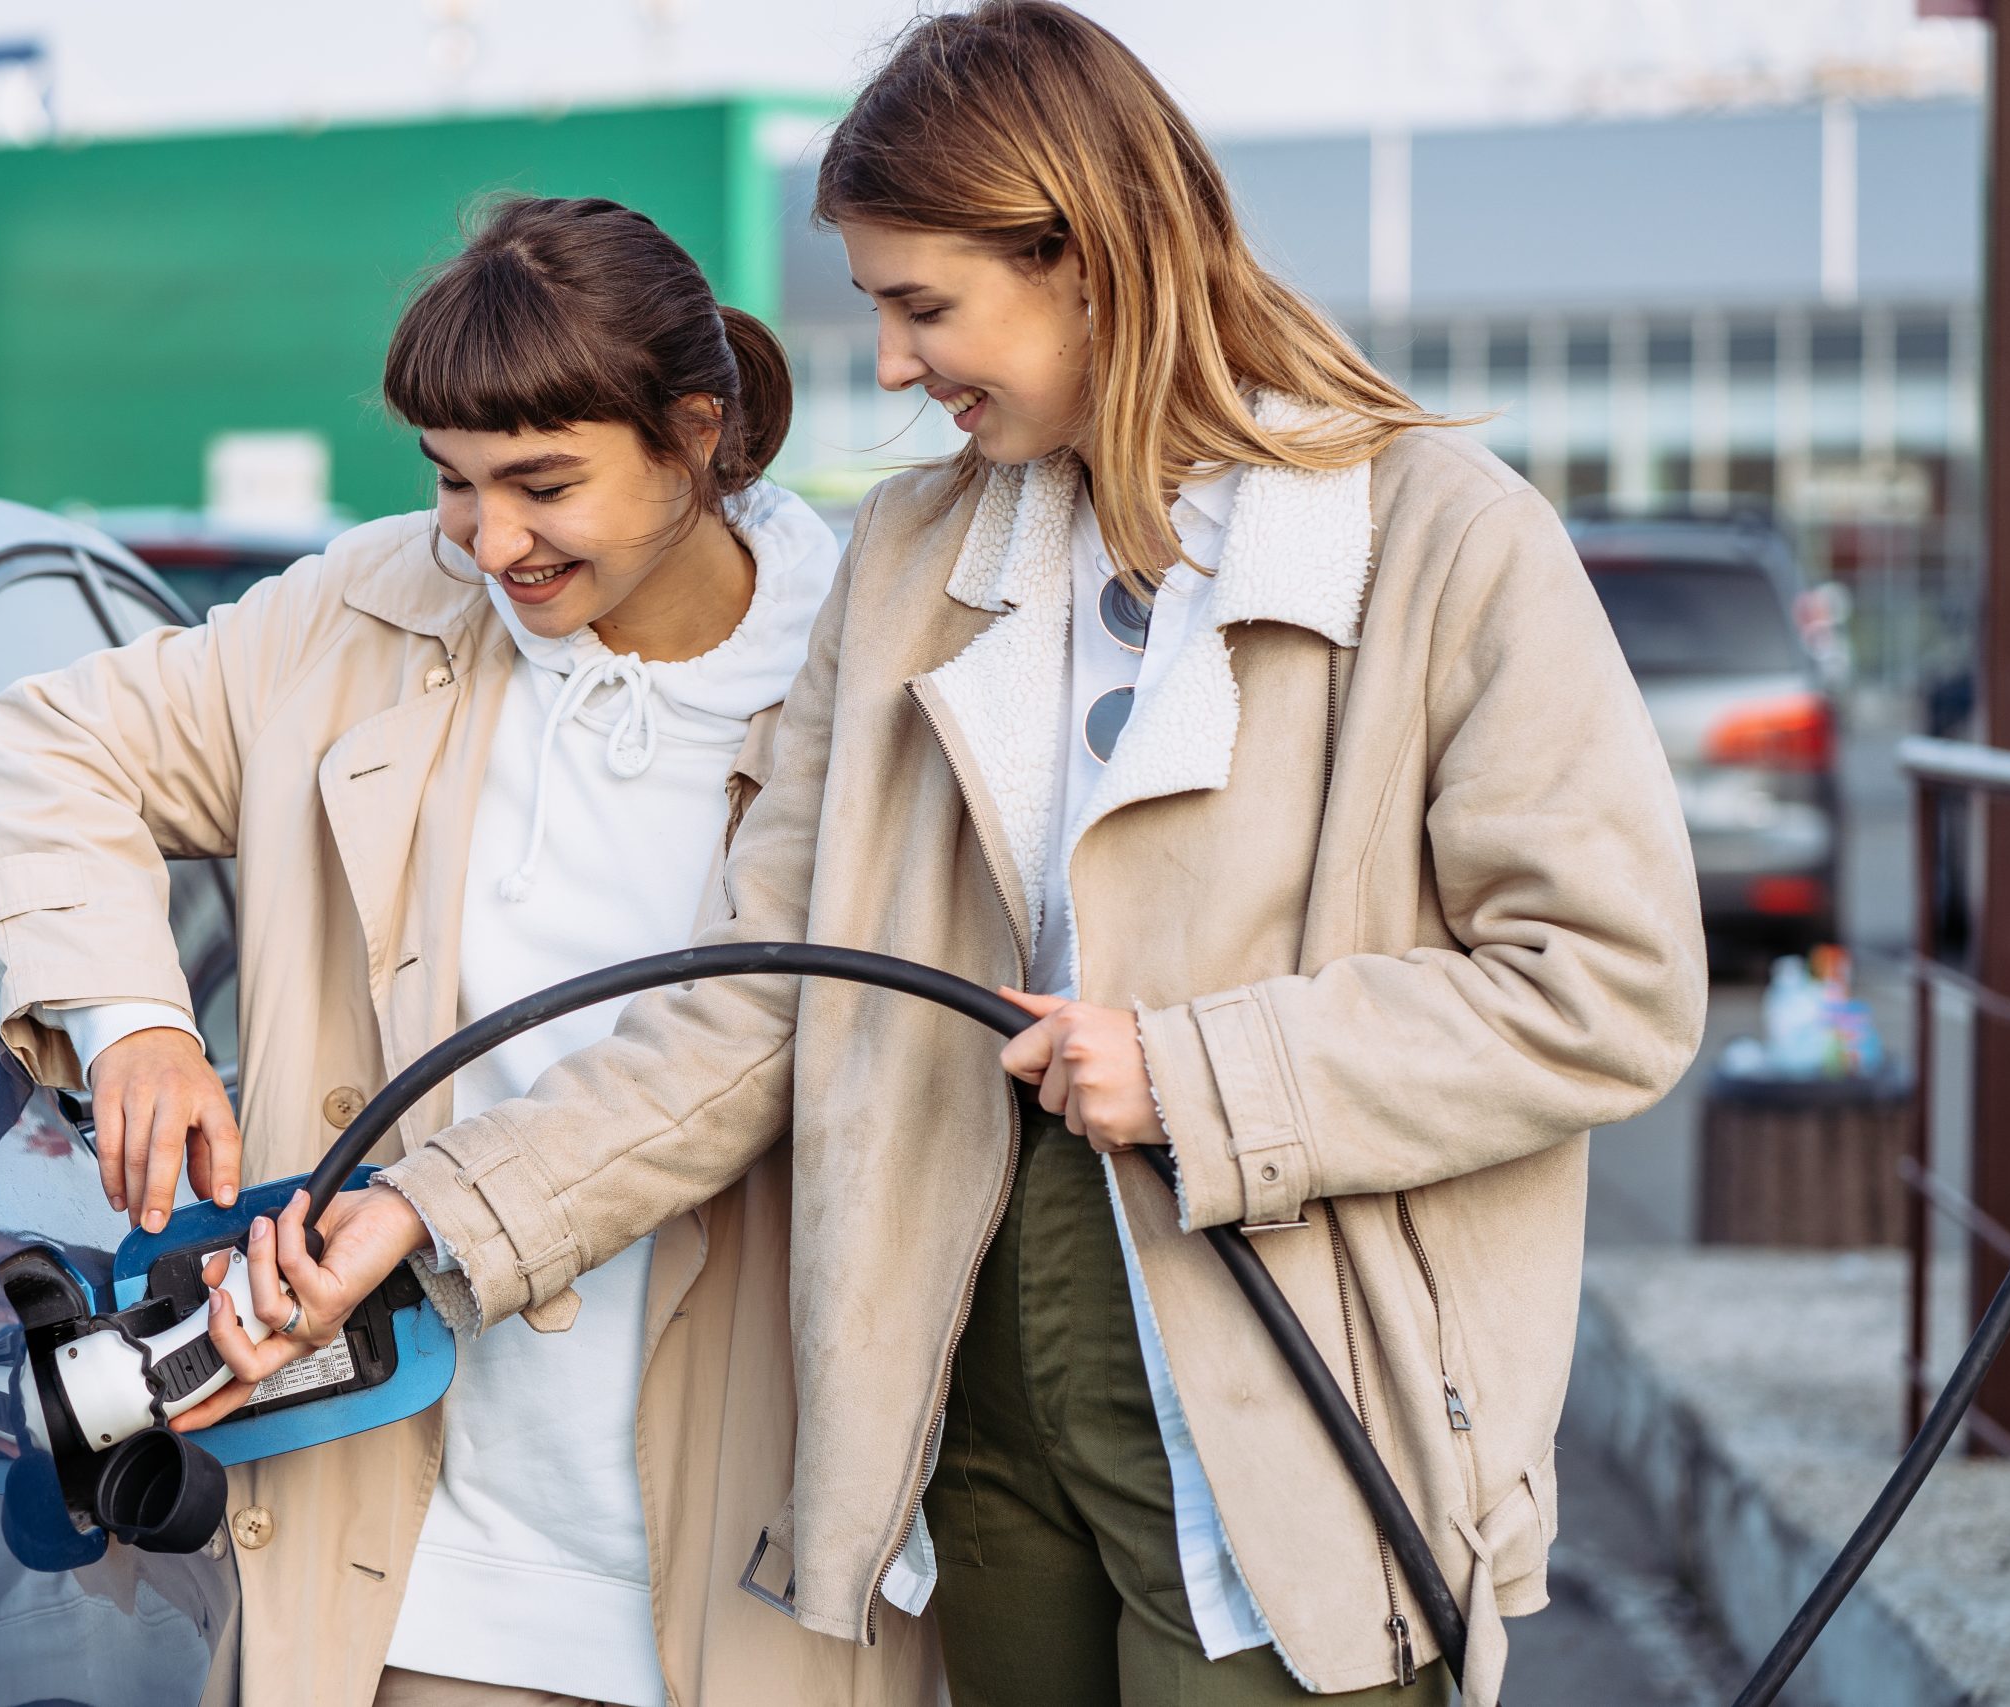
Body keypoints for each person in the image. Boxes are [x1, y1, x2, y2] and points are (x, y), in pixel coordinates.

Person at [202, 7, 1708, 1706]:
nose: (897, 366)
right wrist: (434, 1208)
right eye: (880, 311)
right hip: (975, 1404)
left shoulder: (1446, 541)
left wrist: (1206, 1074)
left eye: (925, 306)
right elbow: (759, 990)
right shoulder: (915, 554)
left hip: (1288, 1403)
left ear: (1087, 256)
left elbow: (1608, 988)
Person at [0, 196, 937, 1707]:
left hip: (747, 1545)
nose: (491, 540)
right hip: (415, 1556)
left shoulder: (868, 676)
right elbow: (46, 744)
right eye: (454, 483)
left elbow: (756, 1048)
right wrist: (132, 1016)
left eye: (544, 484)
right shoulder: (370, 612)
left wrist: (430, 1210)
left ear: (696, 434)